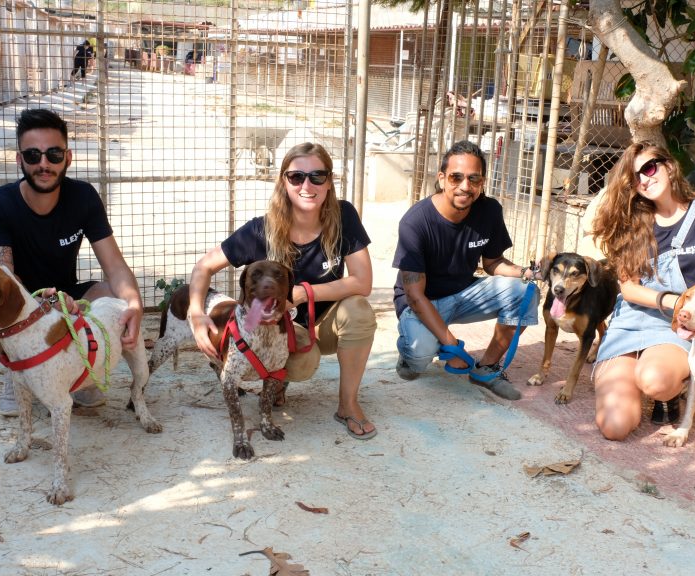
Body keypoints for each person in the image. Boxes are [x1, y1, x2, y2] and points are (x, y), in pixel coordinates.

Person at [188, 142, 378, 439]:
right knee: (303, 363)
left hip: (324, 322)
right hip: (277, 327)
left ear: (329, 182)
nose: (307, 185)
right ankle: (276, 378)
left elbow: (362, 282)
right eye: (296, 177)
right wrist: (196, 313)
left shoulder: (343, 216)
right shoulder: (260, 230)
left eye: (317, 176)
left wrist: (302, 294)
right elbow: (203, 267)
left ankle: (348, 404)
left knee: (359, 310)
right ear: (283, 182)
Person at [0, 108, 143, 416]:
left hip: (67, 297)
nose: (43, 164)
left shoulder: (83, 197)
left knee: (113, 296)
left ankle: (81, 370)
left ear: (68, 157)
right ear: (19, 160)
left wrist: (133, 304)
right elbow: (4, 283)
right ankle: (19, 372)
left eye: (53, 154)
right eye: (33, 155)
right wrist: (45, 310)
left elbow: (115, 267)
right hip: (21, 303)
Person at [590, 140, 695, 440]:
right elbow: (630, 289)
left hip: (678, 326)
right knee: (615, 426)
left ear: (669, 165)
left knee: (655, 380)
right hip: (633, 320)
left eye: (649, 168)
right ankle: (625, 370)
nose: (644, 179)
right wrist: (671, 300)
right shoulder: (632, 221)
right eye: (635, 178)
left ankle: (669, 387)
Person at [392, 140, 539, 401]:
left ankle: (486, 369)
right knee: (420, 355)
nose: (465, 186)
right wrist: (452, 346)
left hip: (464, 293)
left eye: (474, 179)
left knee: (524, 291)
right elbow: (414, 295)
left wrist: (525, 273)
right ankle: (409, 353)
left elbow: (492, 263)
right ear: (441, 178)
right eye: (456, 177)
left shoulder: (489, 210)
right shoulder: (415, 221)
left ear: (482, 182)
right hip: (421, 302)